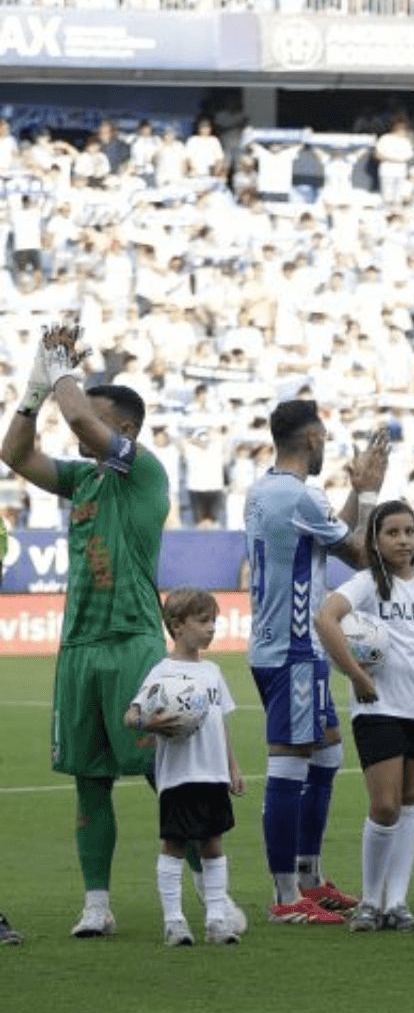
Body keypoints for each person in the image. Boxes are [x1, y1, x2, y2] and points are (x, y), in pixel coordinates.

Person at [3, 325, 175, 937]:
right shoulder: (84, 480)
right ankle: (96, 905)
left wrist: (58, 368)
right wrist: (33, 386)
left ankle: (200, 891)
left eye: (100, 422)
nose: (82, 429)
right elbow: (16, 455)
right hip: (79, 645)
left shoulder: (144, 472)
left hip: (134, 642)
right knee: (89, 780)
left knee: (168, 772)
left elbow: (77, 420)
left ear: (124, 431)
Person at [246, 399, 389, 924]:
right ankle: (286, 899)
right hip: (294, 649)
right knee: (289, 762)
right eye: (324, 438)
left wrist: (354, 494)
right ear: (311, 440)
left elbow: (326, 532)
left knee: (326, 755)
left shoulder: (267, 490)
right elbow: (359, 553)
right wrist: (371, 491)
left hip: (279, 645)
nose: (327, 445)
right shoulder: (300, 494)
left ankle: (309, 876)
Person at [316, 501, 414, 933]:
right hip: (378, 708)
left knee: (411, 800)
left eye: (409, 532)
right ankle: (370, 902)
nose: (402, 540)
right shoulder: (366, 584)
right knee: (385, 804)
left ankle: (397, 903)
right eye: (392, 532)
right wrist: (356, 675)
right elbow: (325, 618)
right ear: (375, 541)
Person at [123, 587, 244, 946]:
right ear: (176, 625)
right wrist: (151, 723)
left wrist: (233, 767)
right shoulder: (162, 672)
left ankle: (217, 920)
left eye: (214, 621)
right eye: (203, 621)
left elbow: (219, 720)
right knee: (174, 844)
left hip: (213, 773)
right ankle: (174, 922)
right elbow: (130, 716)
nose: (211, 629)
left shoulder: (212, 671)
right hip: (178, 775)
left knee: (213, 845)